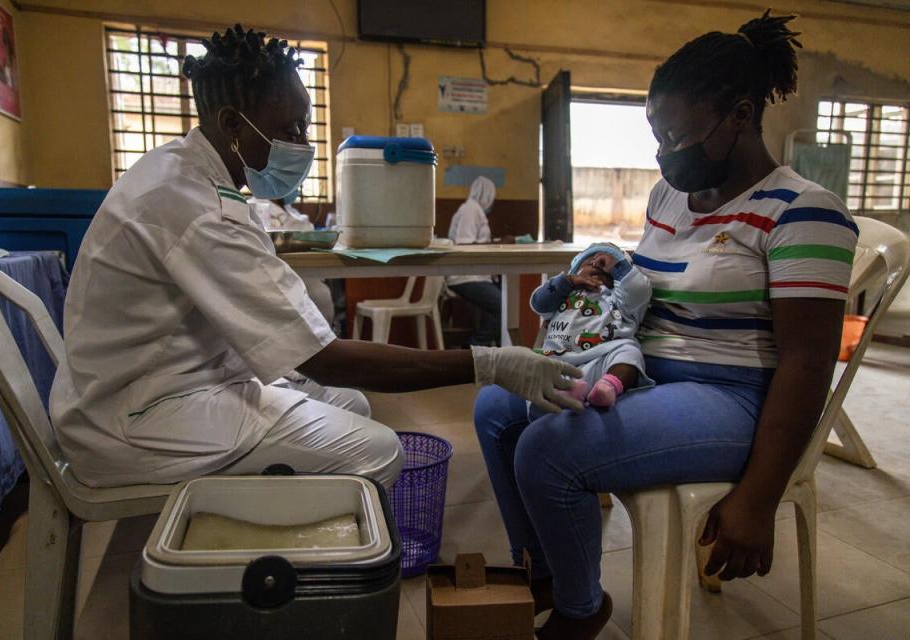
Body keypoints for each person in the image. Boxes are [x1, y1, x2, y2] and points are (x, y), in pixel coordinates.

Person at [49, 25, 582, 492]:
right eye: (289, 130)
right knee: (377, 451)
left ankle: (286, 534)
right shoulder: (197, 208)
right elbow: (323, 357)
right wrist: (489, 363)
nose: (302, 145)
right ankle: (277, 578)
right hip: (132, 416)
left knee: (349, 402)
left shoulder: (186, 171)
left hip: (157, 383)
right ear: (233, 123)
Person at [474, 11, 857, 639]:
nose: (663, 155)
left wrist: (759, 500)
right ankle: (544, 569)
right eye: (656, 137)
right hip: (645, 366)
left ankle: (579, 607)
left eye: (675, 137)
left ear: (738, 116)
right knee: (495, 406)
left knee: (548, 451)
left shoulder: (804, 212)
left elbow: (808, 365)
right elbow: (647, 284)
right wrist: (603, 274)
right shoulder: (668, 197)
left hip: (732, 397)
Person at [530, 242, 652, 412]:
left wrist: (617, 266)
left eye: (605, 266)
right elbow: (538, 303)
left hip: (602, 358)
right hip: (557, 359)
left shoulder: (620, 299)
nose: (597, 264)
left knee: (630, 353)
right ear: (575, 271)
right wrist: (567, 281)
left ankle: (608, 386)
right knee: (532, 366)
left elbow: (638, 288)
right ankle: (566, 392)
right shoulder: (564, 294)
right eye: (589, 262)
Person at [447, 176, 502, 346]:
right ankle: (474, 348)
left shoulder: (475, 209)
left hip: (476, 275)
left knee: (509, 300)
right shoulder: (470, 210)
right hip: (465, 277)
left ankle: (497, 349)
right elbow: (465, 244)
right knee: (503, 308)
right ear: (487, 194)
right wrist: (494, 244)